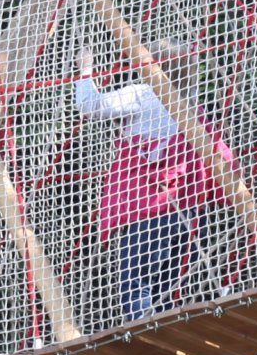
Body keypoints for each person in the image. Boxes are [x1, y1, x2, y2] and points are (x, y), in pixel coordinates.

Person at [75, 41, 229, 322]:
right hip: (188, 210)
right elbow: (224, 161)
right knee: (169, 286)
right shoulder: (193, 106)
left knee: (137, 282)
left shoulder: (145, 95)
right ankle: (172, 333)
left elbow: (89, 105)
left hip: (143, 209)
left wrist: (85, 70)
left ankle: (142, 333)